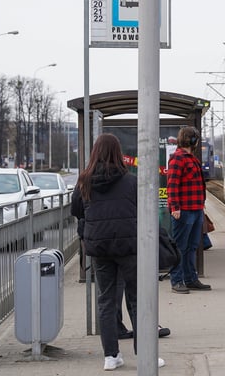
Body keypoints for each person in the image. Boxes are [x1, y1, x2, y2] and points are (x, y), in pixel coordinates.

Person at [69, 134, 165, 370]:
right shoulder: (131, 181)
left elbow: (77, 210)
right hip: (129, 247)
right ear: (118, 153)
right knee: (136, 299)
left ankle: (111, 356)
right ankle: (144, 353)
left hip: (99, 248)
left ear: (95, 153)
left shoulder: (84, 181)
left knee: (106, 300)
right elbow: (144, 210)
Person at [167, 126, 210, 294]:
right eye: (196, 139)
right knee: (179, 246)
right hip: (183, 210)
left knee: (192, 246)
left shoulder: (192, 158)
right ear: (192, 140)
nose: (197, 142)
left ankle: (191, 279)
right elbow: (172, 185)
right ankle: (176, 281)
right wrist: (175, 207)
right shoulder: (178, 158)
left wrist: (202, 204)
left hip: (196, 209)